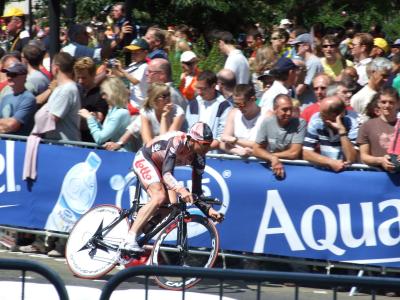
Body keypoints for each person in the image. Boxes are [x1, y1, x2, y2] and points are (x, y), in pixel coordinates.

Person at [121, 122, 224, 252]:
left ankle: (135, 232)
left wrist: (209, 211)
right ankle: (129, 239)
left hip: (162, 167)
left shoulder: (200, 159)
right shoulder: (177, 141)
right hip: (146, 158)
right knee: (159, 196)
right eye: (204, 144)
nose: (207, 148)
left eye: (209, 144)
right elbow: (167, 174)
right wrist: (181, 189)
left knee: (172, 207)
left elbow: (197, 192)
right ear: (192, 140)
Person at [253, 94, 306, 178]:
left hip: (295, 170)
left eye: (290, 109)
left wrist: (272, 156)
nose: (289, 113)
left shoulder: (300, 123)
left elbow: (293, 153)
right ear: (275, 110)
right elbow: (256, 149)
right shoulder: (267, 122)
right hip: (273, 168)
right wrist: (272, 158)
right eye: (284, 110)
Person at [303, 96, 359, 172]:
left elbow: (351, 159)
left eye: (322, 114)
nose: (319, 115)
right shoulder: (316, 120)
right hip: (325, 171)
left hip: (347, 172)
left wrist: (342, 132)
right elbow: (306, 153)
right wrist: (330, 162)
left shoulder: (352, 124)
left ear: (335, 116)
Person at [78, 76, 132, 151]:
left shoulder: (120, 113)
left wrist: (89, 118)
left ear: (113, 93)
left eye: (104, 93)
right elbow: (104, 133)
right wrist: (95, 121)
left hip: (123, 155)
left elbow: (100, 138)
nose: (102, 97)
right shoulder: (112, 111)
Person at [186, 70, 232, 150]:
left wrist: (202, 149)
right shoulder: (193, 104)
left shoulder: (225, 106)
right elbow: (187, 131)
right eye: (197, 88)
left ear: (213, 86)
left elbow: (221, 137)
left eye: (203, 89)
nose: (199, 92)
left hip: (215, 158)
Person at [357, 87, 399, 171]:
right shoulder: (367, 126)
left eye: (391, 102)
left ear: (398, 104)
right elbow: (364, 156)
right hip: (377, 175)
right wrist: (380, 160)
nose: (387, 105)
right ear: (378, 104)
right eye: (383, 102)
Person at [42, 52, 81, 141]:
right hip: (57, 145)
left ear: (56, 68)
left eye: (51, 66)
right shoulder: (61, 88)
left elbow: (51, 120)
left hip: (66, 147)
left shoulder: (67, 90)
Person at [220, 84, 264, 157]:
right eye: (236, 104)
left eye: (241, 104)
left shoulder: (266, 115)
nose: (239, 107)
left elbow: (262, 145)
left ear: (252, 99)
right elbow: (222, 143)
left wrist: (235, 140)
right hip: (238, 162)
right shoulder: (233, 113)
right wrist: (238, 151)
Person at [73, 57, 108, 142]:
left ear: (93, 75)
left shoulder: (101, 94)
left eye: (84, 78)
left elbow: (98, 119)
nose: (80, 81)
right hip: (76, 141)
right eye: (78, 77)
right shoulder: (75, 91)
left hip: (91, 143)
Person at [350, 57, 392, 122]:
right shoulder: (359, 98)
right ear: (373, 72)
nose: (386, 80)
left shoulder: (389, 95)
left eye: (388, 76)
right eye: (383, 76)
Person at [0, 62, 36, 135]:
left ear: (24, 76)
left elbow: (12, 125)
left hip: (19, 145)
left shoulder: (28, 98)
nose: (9, 77)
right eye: (8, 74)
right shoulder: (5, 97)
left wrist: (7, 123)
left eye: (13, 74)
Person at [112, 38, 149, 109]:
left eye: (136, 52)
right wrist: (114, 68)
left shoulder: (145, 66)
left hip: (139, 105)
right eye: (132, 52)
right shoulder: (134, 64)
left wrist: (122, 70)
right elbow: (122, 75)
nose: (133, 54)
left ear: (145, 52)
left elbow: (135, 81)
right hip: (130, 102)